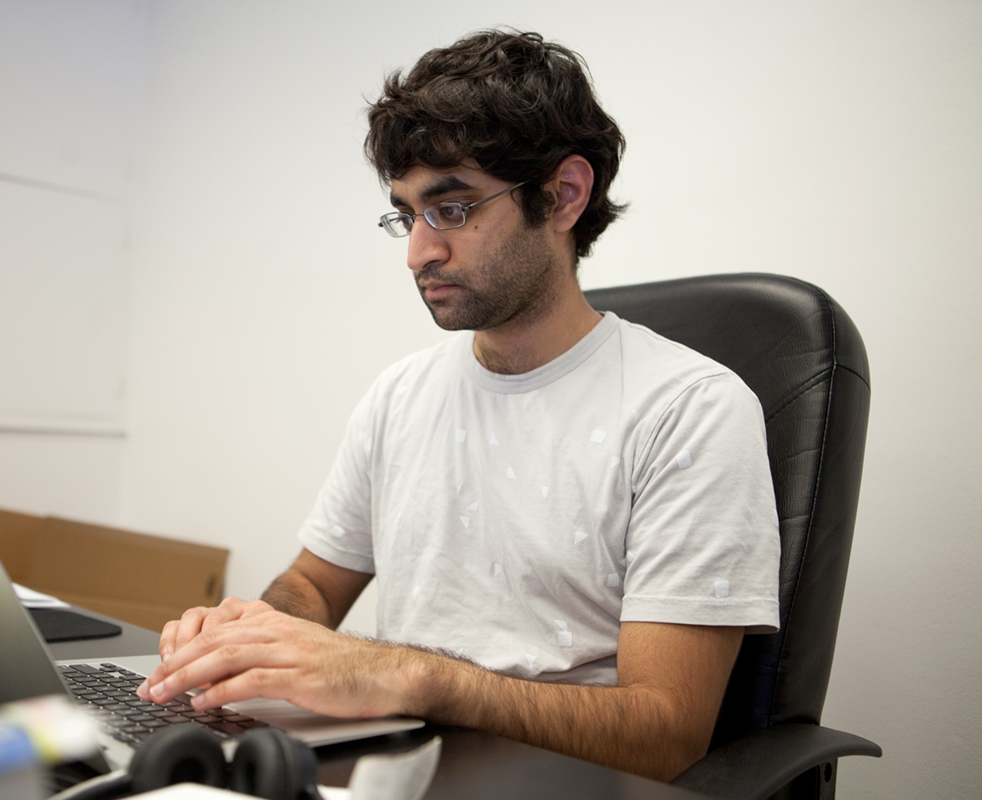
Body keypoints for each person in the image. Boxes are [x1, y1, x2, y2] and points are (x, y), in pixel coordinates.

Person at [138, 30, 780, 782]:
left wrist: (414, 676)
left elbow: (666, 733)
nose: (417, 252)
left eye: (451, 209)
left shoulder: (689, 411)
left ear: (564, 195)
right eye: (405, 214)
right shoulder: (401, 394)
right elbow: (313, 584)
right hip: (387, 771)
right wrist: (250, 633)